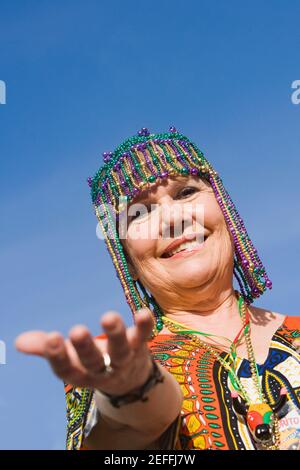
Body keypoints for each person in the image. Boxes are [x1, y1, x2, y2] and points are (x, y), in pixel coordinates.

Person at [15, 127, 300, 450]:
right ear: (129, 262)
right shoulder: (110, 360)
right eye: (141, 212)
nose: (172, 218)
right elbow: (121, 436)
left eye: (186, 192)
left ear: (226, 212)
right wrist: (135, 393)